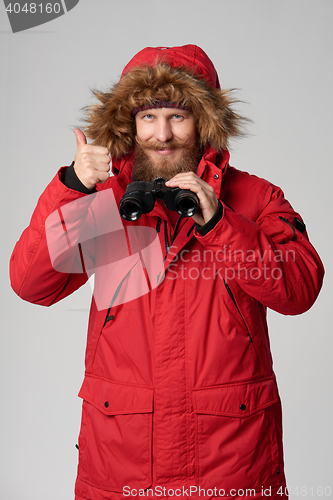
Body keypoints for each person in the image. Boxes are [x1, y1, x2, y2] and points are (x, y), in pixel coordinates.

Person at [10, 45, 324, 500]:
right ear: (129, 126)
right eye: (148, 118)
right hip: (123, 462)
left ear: (204, 123)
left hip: (231, 464)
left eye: (178, 116)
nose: (163, 135)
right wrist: (72, 189)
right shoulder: (108, 201)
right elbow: (32, 283)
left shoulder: (254, 199)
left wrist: (219, 224)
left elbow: (299, 289)